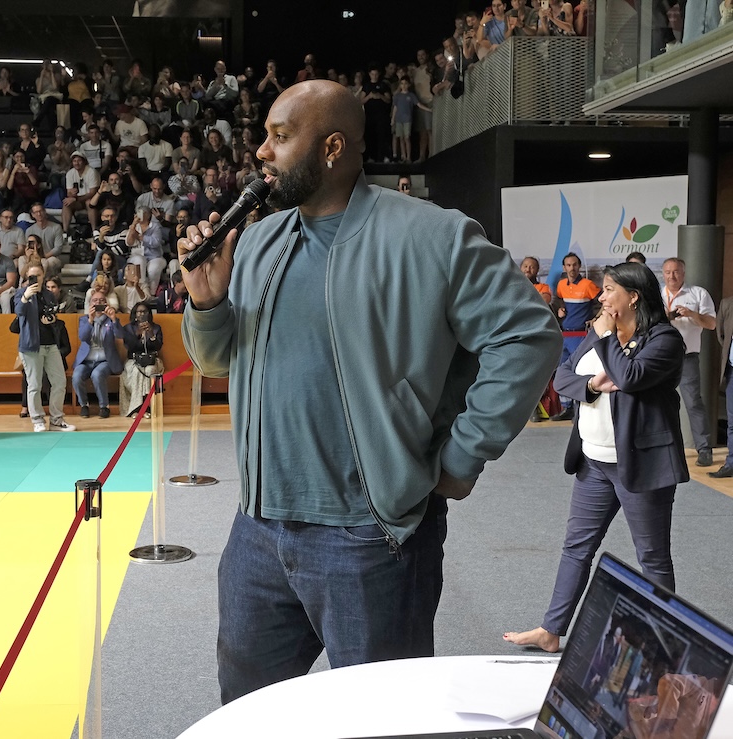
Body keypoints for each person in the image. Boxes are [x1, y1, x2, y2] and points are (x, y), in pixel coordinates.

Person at [178, 80, 561, 704]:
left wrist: (463, 456)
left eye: (279, 137)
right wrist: (208, 302)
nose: (261, 153)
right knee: (248, 712)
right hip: (258, 531)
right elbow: (218, 362)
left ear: (331, 148)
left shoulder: (434, 235)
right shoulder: (255, 241)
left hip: (371, 539)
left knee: (382, 717)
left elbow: (527, 335)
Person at [503, 262, 688, 652]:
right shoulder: (597, 332)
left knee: (652, 558)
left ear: (633, 297)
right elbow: (563, 377)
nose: (600, 298)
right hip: (593, 463)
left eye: (607, 291)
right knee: (576, 547)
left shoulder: (664, 340)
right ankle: (551, 630)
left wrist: (607, 341)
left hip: (639, 464)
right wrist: (590, 384)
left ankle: (663, 640)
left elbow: (632, 377)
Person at [660, 257, 716, 467]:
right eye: (667, 272)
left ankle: (704, 449)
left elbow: (711, 324)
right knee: (659, 402)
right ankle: (664, 448)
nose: (671, 276)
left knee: (693, 402)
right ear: (662, 274)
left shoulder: (698, 293)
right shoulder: (657, 295)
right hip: (660, 358)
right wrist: (666, 317)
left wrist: (692, 314)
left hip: (687, 356)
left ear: (683, 273)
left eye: (675, 272)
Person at [14, 262, 76, 433]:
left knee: (59, 382)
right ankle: (37, 420)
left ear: (43, 276)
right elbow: (18, 312)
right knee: (34, 384)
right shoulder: (20, 293)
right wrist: (26, 296)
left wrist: (52, 320)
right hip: (31, 346)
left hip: (51, 343)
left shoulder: (49, 294)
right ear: (26, 277)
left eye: (38, 275)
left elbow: (52, 313)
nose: (35, 279)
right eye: (31, 276)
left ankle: (56, 420)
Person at [551, 252, 601, 422]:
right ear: (564, 268)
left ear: (579, 266)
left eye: (574, 265)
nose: (571, 268)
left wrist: (595, 318)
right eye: (568, 265)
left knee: (579, 371)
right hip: (564, 334)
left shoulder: (588, 285)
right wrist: (560, 309)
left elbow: (603, 301)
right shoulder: (561, 285)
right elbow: (558, 301)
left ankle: (579, 407)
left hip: (580, 335)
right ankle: (566, 408)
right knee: (561, 370)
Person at [74, 289, 124, 419]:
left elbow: (120, 335)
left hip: (105, 360)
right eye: (95, 301)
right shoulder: (84, 320)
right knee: (77, 375)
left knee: (97, 374)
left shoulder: (110, 320)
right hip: (86, 360)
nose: (98, 303)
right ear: (90, 304)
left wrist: (114, 319)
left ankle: (104, 407)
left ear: (106, 304)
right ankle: (84, 405)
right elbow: (83, 337)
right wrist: (90, 320)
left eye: (102, 301)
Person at [120, 302, 163, 418]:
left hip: (152, 359)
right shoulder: (128, 328)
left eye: (145, 311)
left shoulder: (156, 327)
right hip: (134, 360)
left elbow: (158, 347)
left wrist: (150, 333)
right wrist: (137, 334)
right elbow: (130, 347)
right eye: (139, 311)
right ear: (135, 314)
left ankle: (147, 407)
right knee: (136, 373)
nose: (142, 314)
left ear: (149, 314)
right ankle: (136, 409)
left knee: (150, 371)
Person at [709, 295, 733, 478]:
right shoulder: (727, 303)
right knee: (732, 422)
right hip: (732, 369)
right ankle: (731, 463)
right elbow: (721, 334)